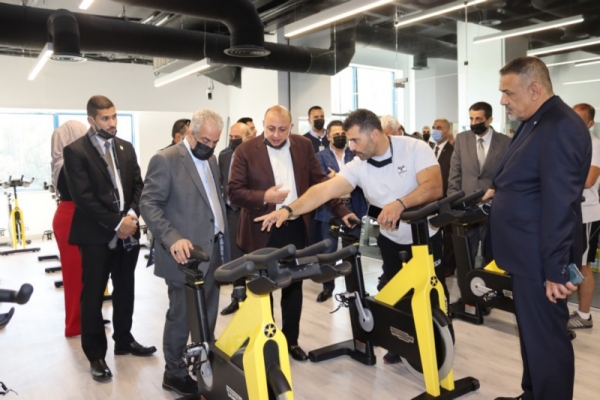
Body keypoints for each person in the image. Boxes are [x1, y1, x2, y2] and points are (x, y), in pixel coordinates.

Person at [255, 108, 447, 365]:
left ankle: (438, 346)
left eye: (356, 140)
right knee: (393, 291)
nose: (351, 146)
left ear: (375, 134)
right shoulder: (358, 165)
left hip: (424, 235)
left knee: (431, 294)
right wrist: (288, 210)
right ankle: (401, 341)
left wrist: (400, 204)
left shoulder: (414, 148)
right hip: (390, 236)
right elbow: (322, 191)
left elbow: (434, 186)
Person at [486, 56, 591, 400]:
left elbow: (561, 203)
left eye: (508, 92)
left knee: (547, 341)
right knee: (533, 337)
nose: (503, 100)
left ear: (534, 89)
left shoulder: (560, 125)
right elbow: (529, 177)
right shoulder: (537, 120)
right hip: (527, 254)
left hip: (541, 258)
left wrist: (556, 269)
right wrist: (501, 189)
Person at [228, 105, 351, 362]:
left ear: (291, 128)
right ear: (263, 125)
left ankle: (291, 341)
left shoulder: (303, 146)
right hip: (261, 230)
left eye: (282, 129)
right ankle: (267, 341)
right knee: (262, 290)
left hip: (295, 227)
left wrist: (341, 210)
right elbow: (234, 192)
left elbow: (320, 184)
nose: (276, 135)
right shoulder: (245, 150)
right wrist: (265, 196)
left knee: (294, 288)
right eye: (270, 128)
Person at [63, 95, 156, 383]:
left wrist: (131, 216)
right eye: (105, 118)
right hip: (95, 235)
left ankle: (124, 340)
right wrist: (117, 223)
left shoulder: (125, 147)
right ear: (91, 120)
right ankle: (96, 356)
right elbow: (83, 198)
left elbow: (139, 185)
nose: (112, 123)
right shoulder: (75, 151)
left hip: (128, 230)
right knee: (93, 295)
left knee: (125, 288)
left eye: (114, 116)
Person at [140, 109, 230, 396]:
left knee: (208, 314)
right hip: (183, 256)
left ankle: (203, 365)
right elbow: (149, 204)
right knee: (181, 316)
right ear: (190, 131)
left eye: (215, 142)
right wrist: (172, 238)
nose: (210, 147)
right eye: (205, 141)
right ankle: (174, 372)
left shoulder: (211, 158)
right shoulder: (166, 159)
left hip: (212, 250)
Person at [447, 102, 511, 268]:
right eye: (471, 119)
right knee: (466, 254)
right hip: (467, 205)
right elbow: (455, 172)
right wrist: (453, 201)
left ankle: (489, 283)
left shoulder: (505, 142)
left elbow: (508, 174)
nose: (474, 123)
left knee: (491, 255)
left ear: (489, 120)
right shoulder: (462, 139)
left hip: (493, 206)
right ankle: (467, 283)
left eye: (479, 119)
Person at [313, 120, 368, 302]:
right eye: (336, 134)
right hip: (330, 208)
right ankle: (328, 287)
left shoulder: (355, 154)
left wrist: (337, 179)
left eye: (343, 134)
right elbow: (321, 182)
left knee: (352, 250)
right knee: (328, 251)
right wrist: (343, 181)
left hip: (353, 206)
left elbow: (362, 178)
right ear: (328, 136)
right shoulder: (320, 157)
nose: (340, 137)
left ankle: (354, 287)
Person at [51, 120, 87, 338]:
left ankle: (86, 318)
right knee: (75, 277)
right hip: (72, 217)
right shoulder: (68, 165)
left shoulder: (63, 163)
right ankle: (74, 324)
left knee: (86, 275)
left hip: (73, 216)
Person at [569, 103, 600, 330]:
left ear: (590, 124)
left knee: (583, 266)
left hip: (586, 215)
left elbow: (588, 181)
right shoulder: (566, 142)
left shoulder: (595, 145)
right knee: (569, 263)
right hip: (567, 213)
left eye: (580, 120)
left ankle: (585, 315)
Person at [218, 122, 252, 316]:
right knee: (235, 257)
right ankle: (238, 297)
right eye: (230, 137)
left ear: (247, 137)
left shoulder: (255, 155)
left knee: (252, 256)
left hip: (249, 211)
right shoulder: (223, 156)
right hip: (230, 211)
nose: (232, 140)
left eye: (236, 138)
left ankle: (255, 299)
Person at [432, 118, 456, 277]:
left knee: (448, 233)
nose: (435, 130)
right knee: (434, 232)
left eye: (439, 127)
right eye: (434, 127)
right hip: (431, 199)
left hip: (446, 197)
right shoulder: (430, 149)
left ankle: (448, 265)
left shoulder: (453, 150)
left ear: (447, 131)